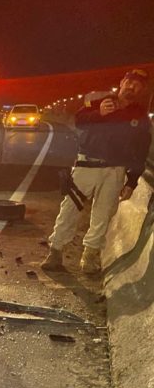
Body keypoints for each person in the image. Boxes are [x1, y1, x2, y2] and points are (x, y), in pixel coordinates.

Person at [42, 69, 152, 274]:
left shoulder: (140, 116)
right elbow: (79, 121)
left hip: (116, 172)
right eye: (129, 81)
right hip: (87, 166)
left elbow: (141, 151)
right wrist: (99, 113)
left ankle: (89, 258)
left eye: (138, 84)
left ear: (142, 89)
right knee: (70, 209)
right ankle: (55, 252)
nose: (132, 86)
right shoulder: (99, 101)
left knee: (103, 216)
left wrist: (132, 181)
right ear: (122, 82)